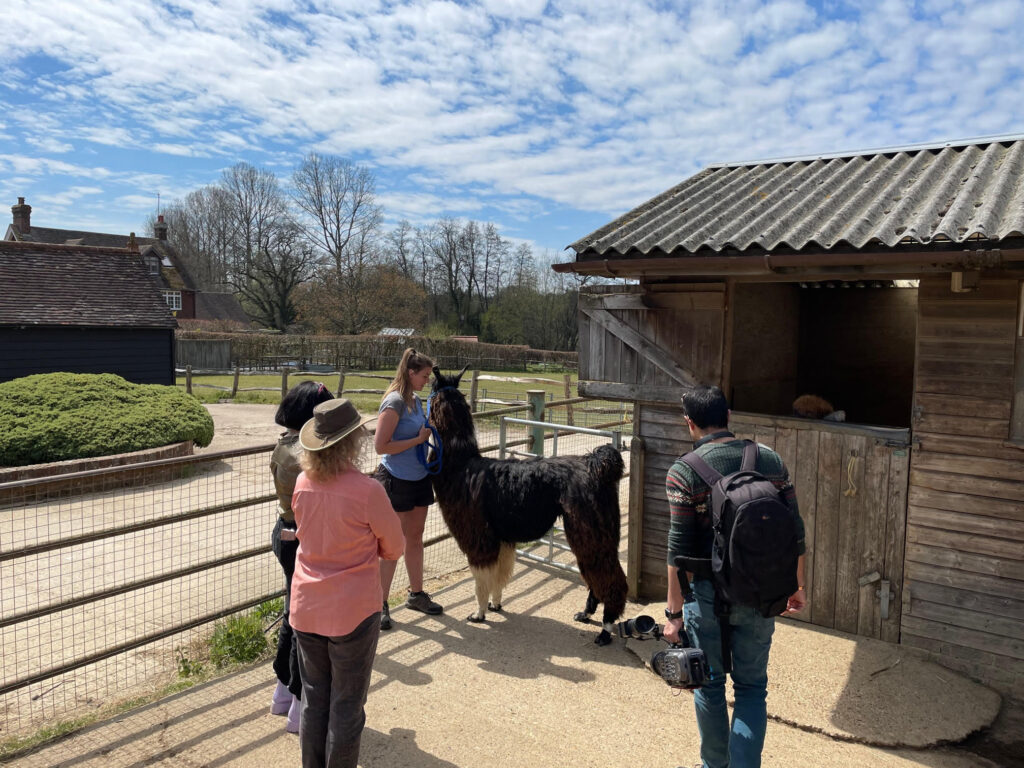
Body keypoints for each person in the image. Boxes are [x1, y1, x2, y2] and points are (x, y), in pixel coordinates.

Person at [663, 385, 807, 768]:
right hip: (762, 591)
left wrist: (673, 615)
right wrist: (797, 587)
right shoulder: (770, 460)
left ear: (689, 424)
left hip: (706, 595)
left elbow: (677, 550)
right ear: (728, 417)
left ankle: (714, 766)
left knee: (709, 686)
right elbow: (796, 531)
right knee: (751, 689)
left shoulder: (683, 471)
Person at [290, 398, 404, 768]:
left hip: (307, 606)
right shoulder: (368, 491)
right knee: (346, 706)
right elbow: (395, 546)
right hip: (353, 609)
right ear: (352, 441)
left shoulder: (302, 482)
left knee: (314, 698)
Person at [268, 381, 334, 733]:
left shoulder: (283, 445)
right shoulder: (306, 453)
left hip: (285, 529)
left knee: (291, 615)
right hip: (303, 539)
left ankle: (282, 693)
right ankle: (298, 703)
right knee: (304, 624)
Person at [373, 348, 444, 629]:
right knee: (392, 544)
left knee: (415, 537)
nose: (427, 380)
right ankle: (379, 603)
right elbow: (381, 445)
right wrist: (417, 441)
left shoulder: (415, 400)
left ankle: (416, 594)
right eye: (424, 376)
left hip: (418, 477)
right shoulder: (394, 403)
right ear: (411, 373)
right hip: (397, 478)